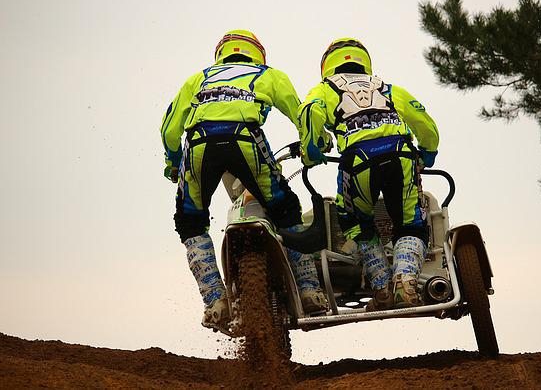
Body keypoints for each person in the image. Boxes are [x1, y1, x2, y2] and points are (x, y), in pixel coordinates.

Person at [161, 29, 327, 330]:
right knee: (286, 209)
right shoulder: (269, 74)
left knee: (190, 222)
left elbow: (170, 127)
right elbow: (301, 114)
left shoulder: (198, 79)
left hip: (197, 145)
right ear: (257, 54)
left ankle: (215, 301)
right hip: (245, 139)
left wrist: (172, 162)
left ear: (221, 54)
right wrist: (313, 146)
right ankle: (309, 290)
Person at [298, 37, 439, 310]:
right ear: (364, 62)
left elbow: (310, 111)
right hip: (401, 155)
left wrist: (311, 149)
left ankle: (382, 287)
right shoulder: (388, 88)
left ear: (327, 65)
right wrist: (429, 150)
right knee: (411, 225)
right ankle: (406, 283)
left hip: (358, 160)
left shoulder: (326, 89)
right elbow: (422, 119)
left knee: (355, 223)